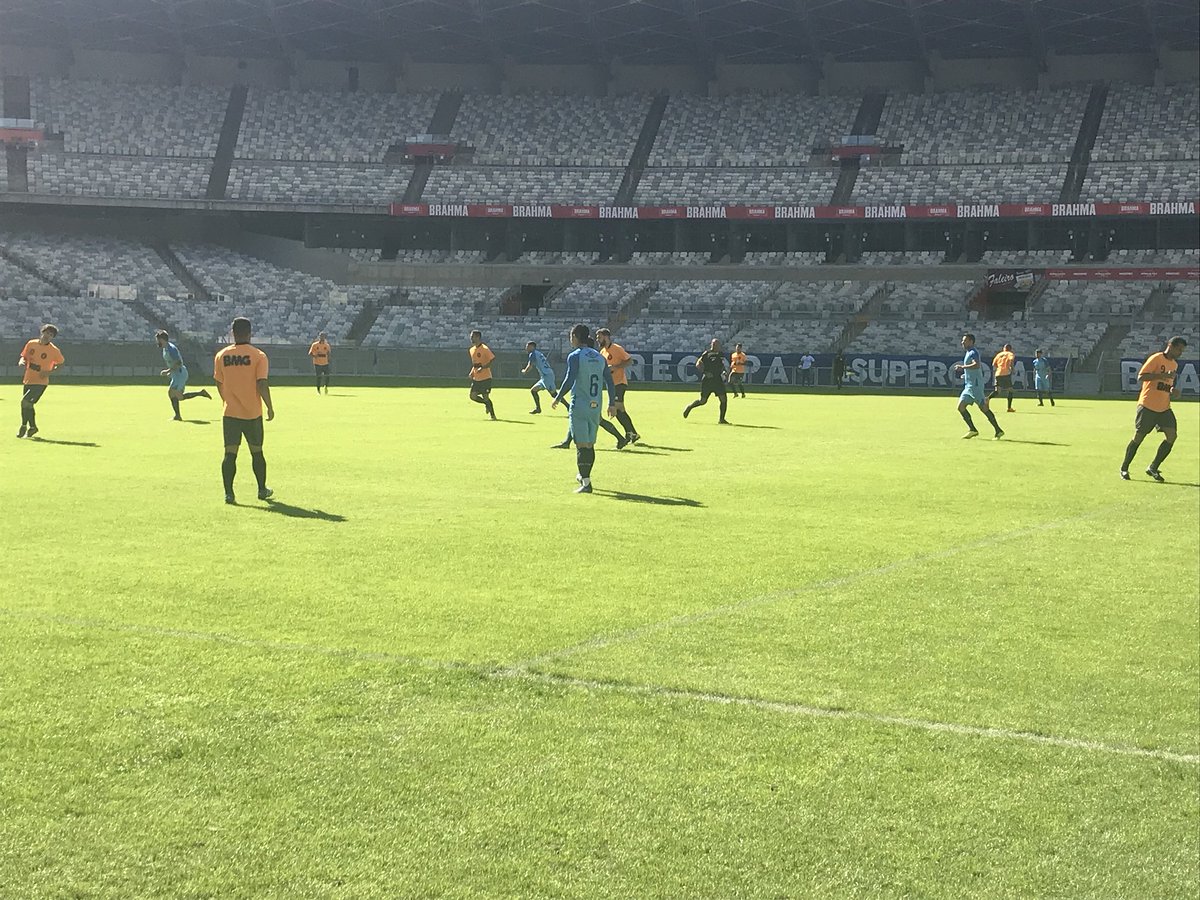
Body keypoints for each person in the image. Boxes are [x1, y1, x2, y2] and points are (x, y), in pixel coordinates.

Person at [213, 317, 275, 504]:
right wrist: (270, 407)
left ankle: (229, 493)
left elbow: (218, 381)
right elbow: (262, 383)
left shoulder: (222, 355)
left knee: (230, 454)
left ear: (232, 333)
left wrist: (227, 399)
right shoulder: (259, 356)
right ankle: (262, 490)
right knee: (257, 452)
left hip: (230, 413)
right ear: (250, 333)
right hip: (252, 413)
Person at [551, 324, 616, 494]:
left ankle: (586, 483)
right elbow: (610, 381)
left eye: (571, 336)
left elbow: (569, 379)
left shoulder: (575, 356)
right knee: (590, 445)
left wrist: (558, 397)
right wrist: (612, 403)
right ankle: (584, 477)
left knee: (581, 446)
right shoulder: (599, 356)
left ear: (576, 336)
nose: (570, 340)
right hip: (596, 406)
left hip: (579, 405)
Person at [1120, 336, 1187, 482]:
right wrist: (1160, 375)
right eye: (1179, 349)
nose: (1180, 352)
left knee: (1172, 436)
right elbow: (1141, 377)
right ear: (1170, 345)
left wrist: (1172, 390)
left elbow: (1165, 385)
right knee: (1139, 437)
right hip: (1148, 405)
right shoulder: (1156, 358)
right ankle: (1124, 468)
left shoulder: (1174, 365)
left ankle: (1153, 467)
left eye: (1182, 350)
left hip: (1164, 407)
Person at [17, 323, 65, 439]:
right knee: (28, 405)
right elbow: (24, 356)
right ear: (42, 332)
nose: (48, 336)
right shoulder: (31, 343)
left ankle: (23, 427)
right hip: (28, 379)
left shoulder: (54, 350)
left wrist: (48, 372)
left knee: (25, 402)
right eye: (47, 333)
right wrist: (21, 361)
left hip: (40, 382)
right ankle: (32, 427)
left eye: (51, 334)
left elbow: (61, 364)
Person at [954, 333, 1004, 440]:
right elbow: (974, 369)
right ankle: (973, 430)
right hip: (969, 386)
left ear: (971, 341)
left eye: (965, 340)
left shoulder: (973, 352)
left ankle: (998, 430)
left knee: (983, 408)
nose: (962, 342)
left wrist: (962, 367)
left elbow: (977, 365)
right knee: (961, 407)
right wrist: (966, 375)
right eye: (963, 340)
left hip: (975, 386)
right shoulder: (969, 352)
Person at [156, 331, 211, 420]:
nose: (157, 342)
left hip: (180, 374)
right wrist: (171, 372)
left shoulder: (171, 349)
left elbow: (179, 362)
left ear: (162, 340)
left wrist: (168, 371)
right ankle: (201, 393)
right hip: (176, 374)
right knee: (179, 397)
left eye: (158, 340)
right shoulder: (165, 348)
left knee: (172, 393)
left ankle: (177, 416)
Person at [597, 328, 640, 441]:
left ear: (606, 337)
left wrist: (615, 367)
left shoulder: (616, 348)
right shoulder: (602, 352)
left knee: (615, 407)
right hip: (611, 385)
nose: (598, 340)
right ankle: (631, 433)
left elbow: (629, 360)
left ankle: (631, 433)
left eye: (599, 337)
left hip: (619, 383)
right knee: (619, 410)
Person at [684, 338, 730, 424]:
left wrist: (724, 371)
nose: (715, 346)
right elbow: (698, 363)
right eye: (714, 344)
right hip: (708, 381)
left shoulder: (721, 354)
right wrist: (705, 372)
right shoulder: (706, 354)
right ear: (711, 345)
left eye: (717, 344)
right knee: (703, 401)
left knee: (723, 399)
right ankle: (690, 407)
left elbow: (722, 365)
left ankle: (722, 419)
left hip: (717, 380)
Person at [521, 341, 558, 414]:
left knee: (554, 395)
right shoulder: (538, 353)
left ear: (532, 347)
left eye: (527, 346)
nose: (526, 348)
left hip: (547, 376)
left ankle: (568, 407)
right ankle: (538, 409)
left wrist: (525, 371)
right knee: (533, 390)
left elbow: (530, 365)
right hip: (544, 376)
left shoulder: (533, 354)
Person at [467, 330, 497, 420]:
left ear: (478, 337)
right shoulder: (471, 350)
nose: (471, 338)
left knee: (485, 396)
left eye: (472, 336)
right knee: (472, 396)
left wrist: (483, 367)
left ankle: (493, 416)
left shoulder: (485, 349)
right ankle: (486, 404)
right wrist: (472, 372)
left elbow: (492, 359)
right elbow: (475, 364)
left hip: (486, 377)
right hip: (476, 378)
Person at [990, 342, 1017, 412]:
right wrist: (1012, 369)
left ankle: (987, 399)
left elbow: (994, 364)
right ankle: (1009, 408)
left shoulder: (999, 354)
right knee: (1010, 390)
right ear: (1010, 349)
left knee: (997, 391)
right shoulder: (1010, 354)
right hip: (1006, 374)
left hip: (998, 374)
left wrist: (999, 368)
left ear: (1004, 349)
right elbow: (1011, 361)